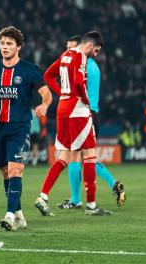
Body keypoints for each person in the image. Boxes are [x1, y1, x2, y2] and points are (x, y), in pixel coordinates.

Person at [0, 27, 53, 231]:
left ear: (18, 46)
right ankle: (20, 215)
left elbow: (46, 94)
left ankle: (10, 216)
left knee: (15, 170)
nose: (4, 47)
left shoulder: (29, 69)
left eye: (9, 44)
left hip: (19, 126)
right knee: (5, 172)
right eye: (2, 43)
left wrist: (44, 104)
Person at [35, 31, 111, 216]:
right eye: (97, 50)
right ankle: (91, 205)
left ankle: (43, 196)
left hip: (62, 109)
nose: (96, 54)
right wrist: (84, 99)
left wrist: (61, 93)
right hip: (78, 110)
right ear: (90, 46)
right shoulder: (81, 57)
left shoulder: (65, 55)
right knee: (90, 155)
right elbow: (78, 81)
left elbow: (47, 75)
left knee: (65, 157)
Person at [58, 36, 125, 209]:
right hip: (93, 113)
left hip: (82, 113)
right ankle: (113, 184)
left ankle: (75, 200)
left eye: (71, 47)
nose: (68, 52)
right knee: (87, 157)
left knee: (74, 156)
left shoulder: (82, 64)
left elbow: (76, 89)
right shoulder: (93, 66)